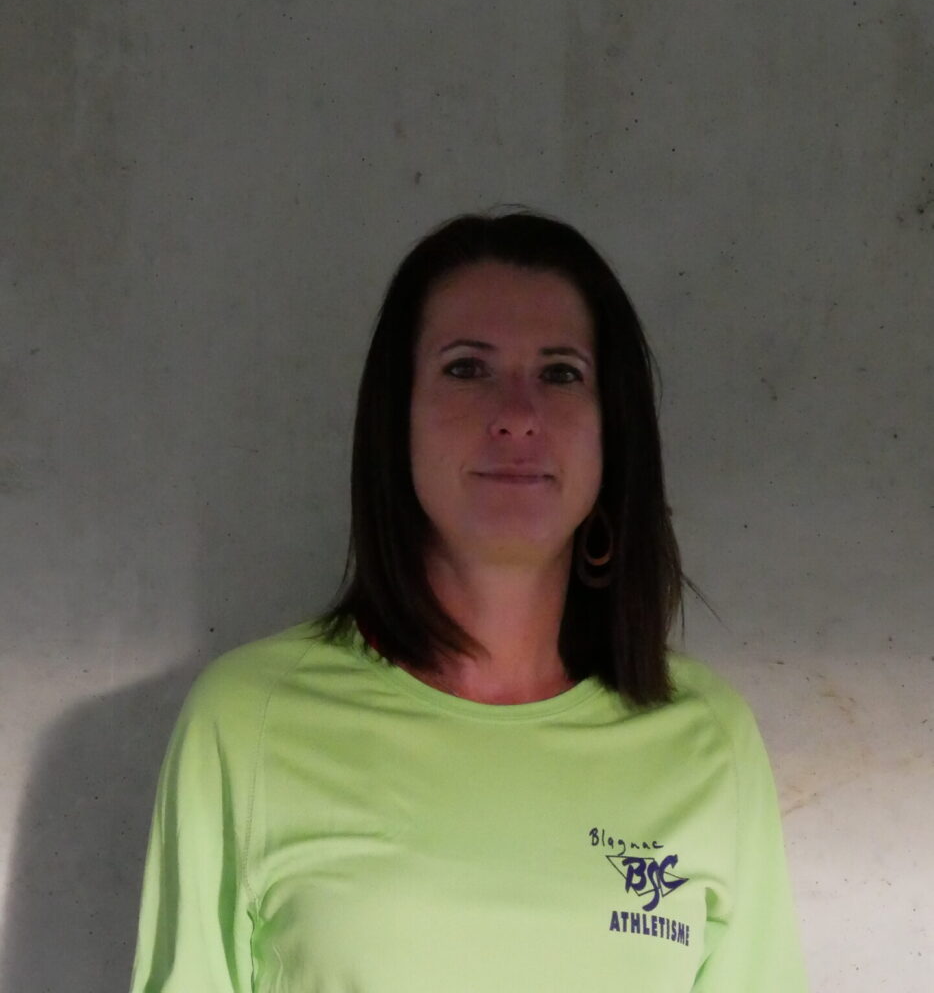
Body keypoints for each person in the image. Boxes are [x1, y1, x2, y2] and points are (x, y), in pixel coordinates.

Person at [128, 210, 809, 991]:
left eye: (561, 373)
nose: (516, 415)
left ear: (613, 430)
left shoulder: (708, 739)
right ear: (397, 420)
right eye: (466, 369)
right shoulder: (248, 722)